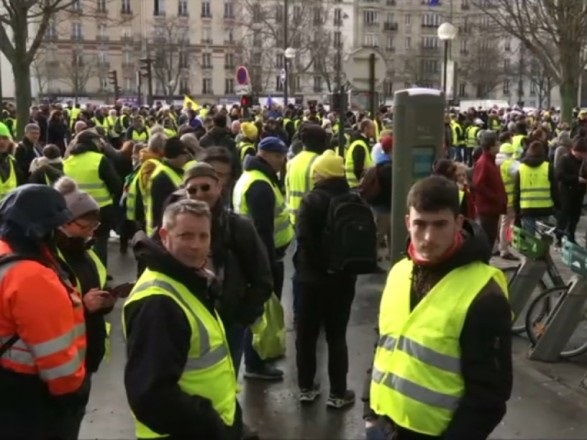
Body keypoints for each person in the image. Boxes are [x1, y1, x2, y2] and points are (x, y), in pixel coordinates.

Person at [363, 176, 512, 440]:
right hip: (381, 424)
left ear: (458, 222)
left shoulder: (484, 294)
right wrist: (368, 410)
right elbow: (383, 342)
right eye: (420, 224)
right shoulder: (399, 272)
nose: (428, 237)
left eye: (440, 224)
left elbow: (489, 396)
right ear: (408, 222)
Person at [124, 199, 242, 440]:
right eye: (186, 236)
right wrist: (212, 426)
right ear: (165, 235)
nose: (196, 246)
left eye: (203, 236)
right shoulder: (159, 302)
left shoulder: (188, 279)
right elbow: (151, 396)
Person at [0, 184, 89, 439]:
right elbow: (58, 361)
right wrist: (72, 395)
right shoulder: (32, 277)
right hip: (31, 399)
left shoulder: (5, 255)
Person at [53, 176, 119, 437]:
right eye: (86, 224)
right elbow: (44, 315)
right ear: (65, 223)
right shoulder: (50, 259)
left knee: (74, 421)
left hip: (87, 355)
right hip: (62, 363)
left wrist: (105, 302)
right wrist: (83, 308)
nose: (93, 230)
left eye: (96, 224)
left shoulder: (85, 250)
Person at [295, 150, 357, 408]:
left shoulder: (311, 201)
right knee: (336, 335)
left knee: (307, 336)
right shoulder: (352, 199)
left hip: (310, 279)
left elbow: (304, 240)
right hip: (342, 279)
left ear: (320, 174)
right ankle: (338, 393)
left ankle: (307, 388)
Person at [513, 141, 558, 236]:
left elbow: (517, 191)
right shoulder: (548, 167)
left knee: (530, 238)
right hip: (545, 207)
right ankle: (545, 251)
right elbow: (554, 189)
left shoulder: (521, 168)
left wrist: (516, 208)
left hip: (527, 207)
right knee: (545, 235)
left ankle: (532, 250)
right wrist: (558, 206)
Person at [473, 131, 507, 253]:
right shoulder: (484, 163)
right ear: (491, 145)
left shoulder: (490, 161)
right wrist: (495, 197)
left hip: (492, 208)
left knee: (490, 238)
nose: (499, 144)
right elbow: (479, 184)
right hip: (488, 209)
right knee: (488, 238)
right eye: (496, 142)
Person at [555, 137, 587, 245]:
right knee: (563, 216)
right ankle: (559, 238)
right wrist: (576, 179)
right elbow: (559, 175)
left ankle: (571, 236)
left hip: (579, 193)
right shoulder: (565, 159)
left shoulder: (583, 161)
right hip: (566, 193)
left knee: (575, 217)